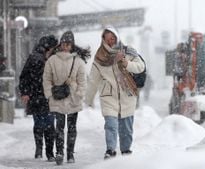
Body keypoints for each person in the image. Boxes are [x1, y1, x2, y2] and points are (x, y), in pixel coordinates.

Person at [85, 26, 145, 159]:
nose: (110, 42)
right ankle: (110, 150)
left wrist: (126, 62)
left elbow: (141, 67)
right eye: (107, 40)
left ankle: (125, 150)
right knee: (111, 125)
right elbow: (93, 80)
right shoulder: (100, 57)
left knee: (126, 128)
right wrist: (88, 99)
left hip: (127, 94)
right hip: (108, 96)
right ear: (103, 40)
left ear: (117, 37)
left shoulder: (128, 51)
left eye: (112, 38)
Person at [43, 31, 90, 165]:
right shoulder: (52, 60)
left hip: (73, 98)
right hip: (57, 97)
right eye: (63, 43)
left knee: (72, 128)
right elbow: (46, 79)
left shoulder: (79, 61)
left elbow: (83, 81)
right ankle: (60, 153)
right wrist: (49, 94)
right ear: (60, 44)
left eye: (68, 44)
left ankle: (70, 154)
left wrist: (80, 94)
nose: (65, 46)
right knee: (59, 127)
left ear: (72, 45)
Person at [19, 35, 58, 161]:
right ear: (49, 48)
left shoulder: (36, 57)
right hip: (43, 96)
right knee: (48, 124)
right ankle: (48, 152)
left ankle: (40, 149)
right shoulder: (38, 58)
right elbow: (25, 77)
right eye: (53, 48)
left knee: (40, 123)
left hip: (38, 96)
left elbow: (24, 77)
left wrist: (25, 92)